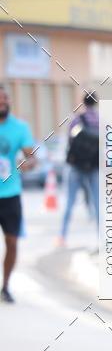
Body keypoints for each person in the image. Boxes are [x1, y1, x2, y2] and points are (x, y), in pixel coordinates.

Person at [0, 85, 36, 302]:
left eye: (4, 100)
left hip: (11, 194)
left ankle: (5, 286)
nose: (2, 103)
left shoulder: (20, 127)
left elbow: (32, 157)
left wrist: (27, 164)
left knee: (12, 243)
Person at [58, 91, 100, 246]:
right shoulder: (100, 120)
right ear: (96, 102)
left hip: (76, 167)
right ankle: (101, 238)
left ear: (83, 101)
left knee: (69, 202)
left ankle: (62, 236)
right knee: (97, 203)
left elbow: (70, 141)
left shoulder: (77, 119)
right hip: (94, 167)